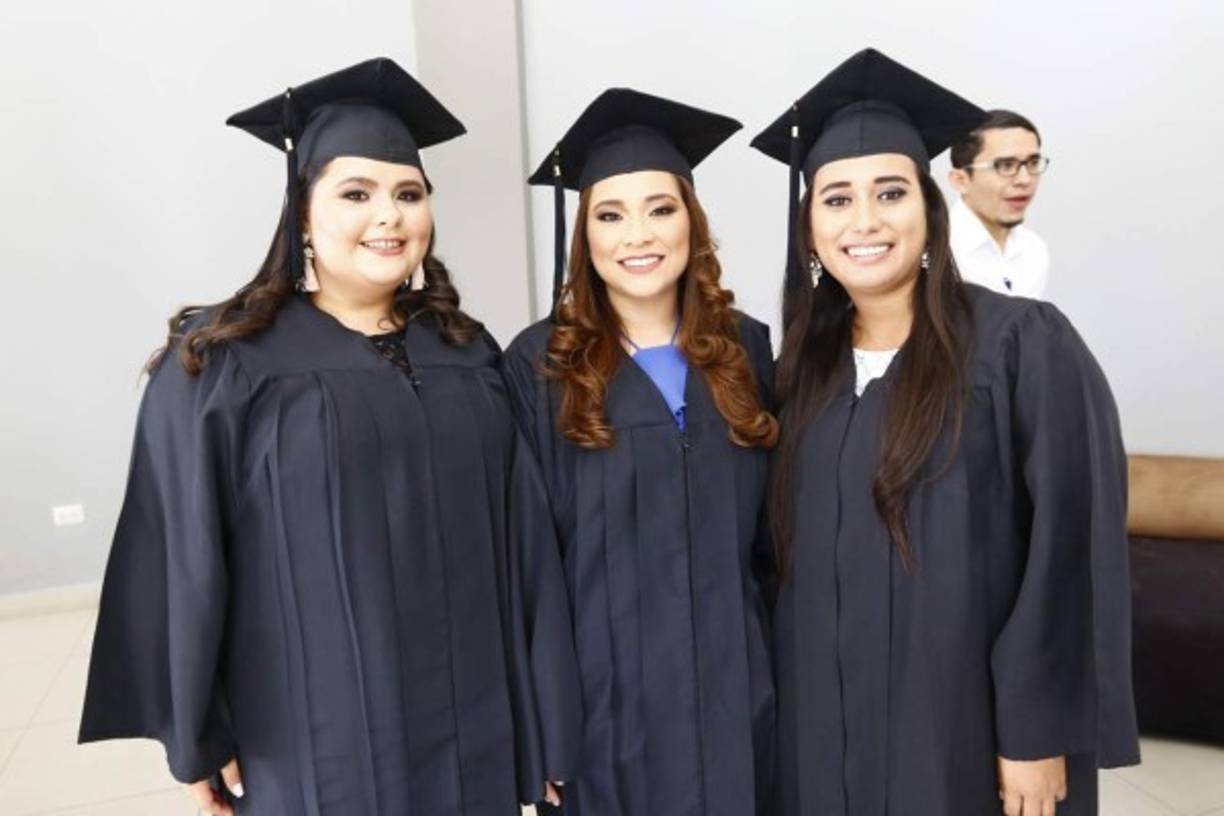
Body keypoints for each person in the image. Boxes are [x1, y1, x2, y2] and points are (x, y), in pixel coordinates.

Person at [78, 58, 579, 815]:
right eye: (356, 193)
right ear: (302, 212)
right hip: (317, 735)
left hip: (473, 724)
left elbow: (527, 550)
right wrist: (201, 734)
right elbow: (183, 558)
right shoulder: (224, 364)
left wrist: (542, 721)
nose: (390, 216)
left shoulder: (468, 353)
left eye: (408, 194)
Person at [752, 48, 1139, 816]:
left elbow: (1071, 545)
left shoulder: (1022, 343)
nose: (864, 222)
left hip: (967, 731)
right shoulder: (799, 373)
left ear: (931, 211)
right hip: (823, 733)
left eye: (890, 193)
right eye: (835, 200)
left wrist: (1034, 731)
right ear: (810, 232)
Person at [503, 89, 779, 815]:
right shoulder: (539, 367)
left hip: (738, 692)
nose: (638, 235)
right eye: (611, 214)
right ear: (584, 236)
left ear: (692, 220)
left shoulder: (747, 350)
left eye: (660, 208)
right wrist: (548, 729)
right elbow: (529, 565)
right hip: (605, 707)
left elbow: (774, 545)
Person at [947, 109, 1051, 297]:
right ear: (960, 180)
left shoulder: (1034, 250)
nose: (1025, 179)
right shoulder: (934, 254)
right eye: (1005, 165)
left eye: (1033, 163)